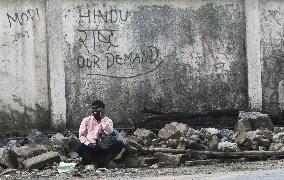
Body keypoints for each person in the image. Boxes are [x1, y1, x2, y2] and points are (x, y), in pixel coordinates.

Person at [76, 100, 124, 167]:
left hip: (104, 147)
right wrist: (88, 144)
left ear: (103, 109)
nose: (94, 110)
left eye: (97, 108)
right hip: (91, 147)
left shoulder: (108, 121)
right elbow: (81, 136)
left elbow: (109, 132)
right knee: (79, 147)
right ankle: (93, 163)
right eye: (93, 108)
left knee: (119, 144)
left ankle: (105, 162)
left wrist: (103, 117)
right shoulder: (86, 120)